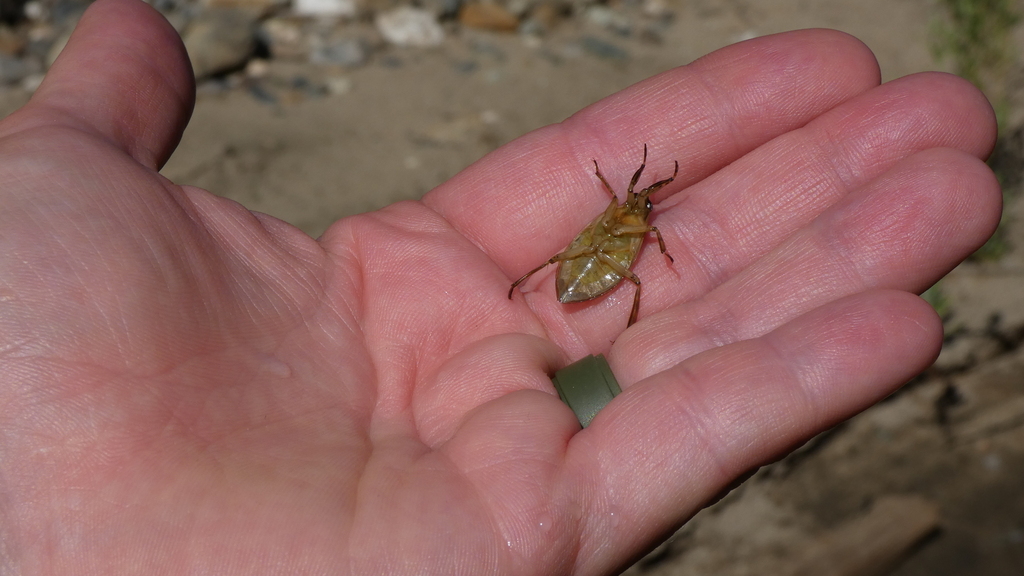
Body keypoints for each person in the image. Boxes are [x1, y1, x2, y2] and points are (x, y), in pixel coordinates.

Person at [0, 0, 1001, 573]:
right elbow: (619, 211)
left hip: (585, 265)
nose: (644, 208)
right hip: (585, 266)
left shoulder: (623, 230)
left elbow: (619, 217)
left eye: (644, 206)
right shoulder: (625, 226)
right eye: (638, 199)